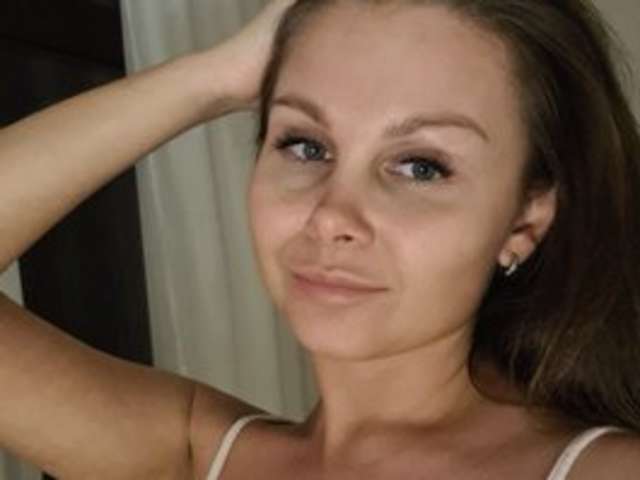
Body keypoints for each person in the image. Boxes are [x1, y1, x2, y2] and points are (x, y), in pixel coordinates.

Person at [0, 0, 638, 478]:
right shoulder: (198, 458)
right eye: (305, 144)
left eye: (421, 166)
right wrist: (215, 77)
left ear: (524, 222)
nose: (332, 215)